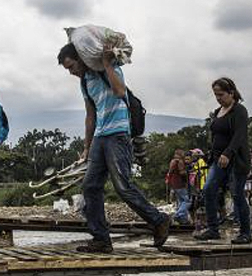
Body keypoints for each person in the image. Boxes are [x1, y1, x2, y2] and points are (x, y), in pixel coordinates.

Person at [58, 43, 170, 253]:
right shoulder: (85, 82)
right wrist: (86, 147)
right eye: (68, 70)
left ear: (81, 58)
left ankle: (158, 220)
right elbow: (90, 116)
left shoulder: (109, 70)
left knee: (123, 186)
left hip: (118, 134)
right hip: (100, 136)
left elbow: (120, 92)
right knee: (90, 187)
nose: (72, 72)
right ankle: (101, 239)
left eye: (72, 66)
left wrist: (107, 64)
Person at [194, 77, 252, 244]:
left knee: (237, 193)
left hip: (236, 159)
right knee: (208, 190)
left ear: (231, 93)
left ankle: (245, 233)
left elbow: (239, 135)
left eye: (221, 94)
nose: (218, 98)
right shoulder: (217, 111)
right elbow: (216, 136)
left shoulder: (239, 110)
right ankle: (213, 229)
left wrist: (228, 153)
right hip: (217, 159)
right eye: (215, 95)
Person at [166, 149, 190, 225]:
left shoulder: (172, 161)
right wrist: (187, 172)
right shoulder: (179, 161)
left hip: (173, 183)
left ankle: (183, 219)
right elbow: (182, 172)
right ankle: (177, 215)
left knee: (180, 201)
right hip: (180, 183)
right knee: (187, 201)